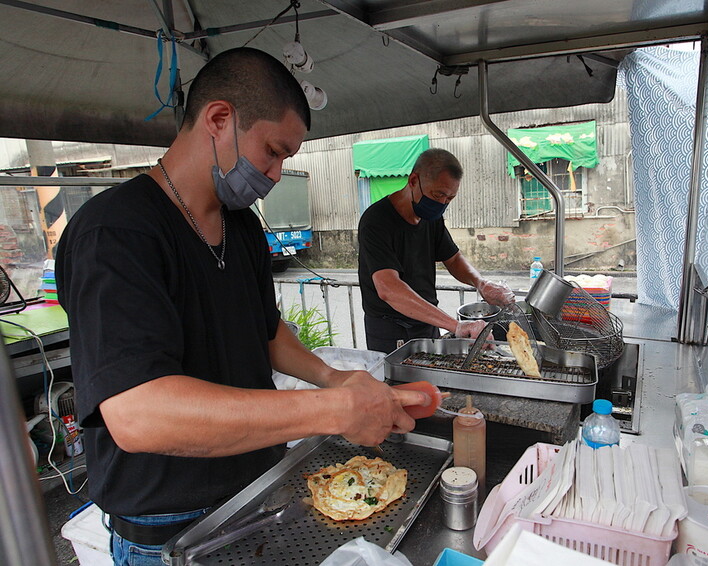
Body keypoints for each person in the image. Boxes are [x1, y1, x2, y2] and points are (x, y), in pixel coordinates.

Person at [55, 47, 429, 566]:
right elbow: (138, 413)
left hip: (258, 494)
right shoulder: (115, 232)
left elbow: (265, 328)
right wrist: (333, 410)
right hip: (171, 528)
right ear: (219, 119)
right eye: (272, 152)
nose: (275, 175)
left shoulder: (244, 227)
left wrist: (331, 379)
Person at [357, 148, 515, 353]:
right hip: (390, 332)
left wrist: (481, 283)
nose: (441, 204)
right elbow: (389, 289)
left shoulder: (431, 218)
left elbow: (453, 258)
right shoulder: (376, 221)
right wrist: (455, 325)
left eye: (449, 199)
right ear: (414, 180)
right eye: (438, 194)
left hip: (426, 322)